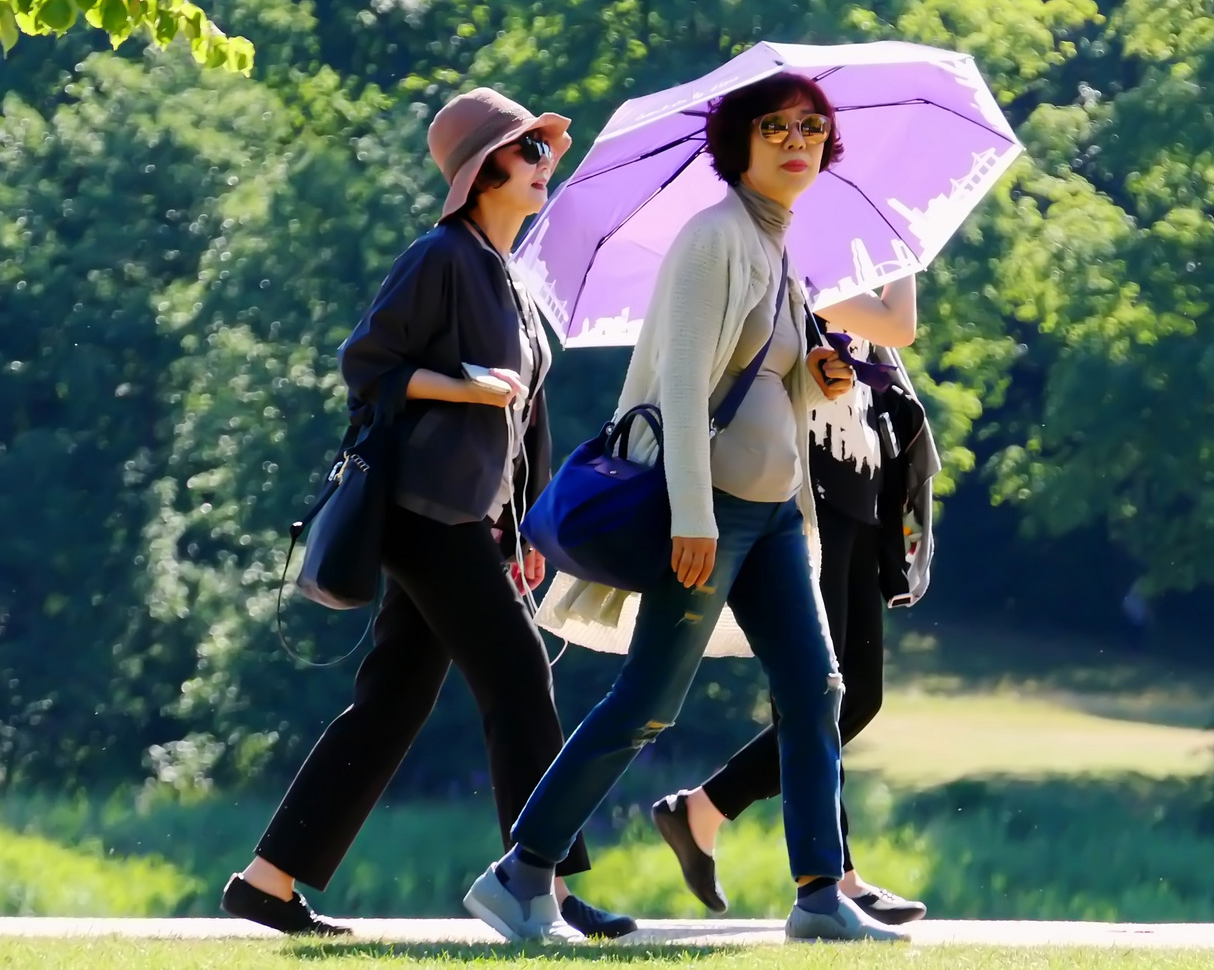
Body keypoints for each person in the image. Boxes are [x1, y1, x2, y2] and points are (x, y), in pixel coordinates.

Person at [464, 73, 911, 944]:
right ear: (738, 142)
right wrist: (693, 516)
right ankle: (519, 877)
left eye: (812, 128)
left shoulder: (776, 242)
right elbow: (678, 378)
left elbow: (760, 369)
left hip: (774, 512)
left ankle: (820, 896)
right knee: (646, 701)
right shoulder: (714, 237)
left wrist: (810, 374)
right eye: (776, 126)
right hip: (712, 513)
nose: (797, 140)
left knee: (814, 689)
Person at [219, 87, 633, 940]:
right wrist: (460, 384)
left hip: (470, 519)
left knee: (393, 702)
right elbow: (368, 362)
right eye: (527, 152)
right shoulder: (440, 257)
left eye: (544, 151)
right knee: (519, 677)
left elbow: (523, 425)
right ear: (484, 170)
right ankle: (537, 888)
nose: (543, 163)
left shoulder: (507, 276)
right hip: (424, 512)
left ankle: (267, 879)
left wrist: (526, 530)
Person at [649, 274, 934, 924]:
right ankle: (836, 877)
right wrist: (900, 259)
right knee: (818, 691)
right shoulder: (801, 258)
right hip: (809, 493)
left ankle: (702, 809)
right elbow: (898, 326)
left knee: (859, 694)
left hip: (859, 487)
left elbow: (884, 341)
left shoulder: (856, 255)